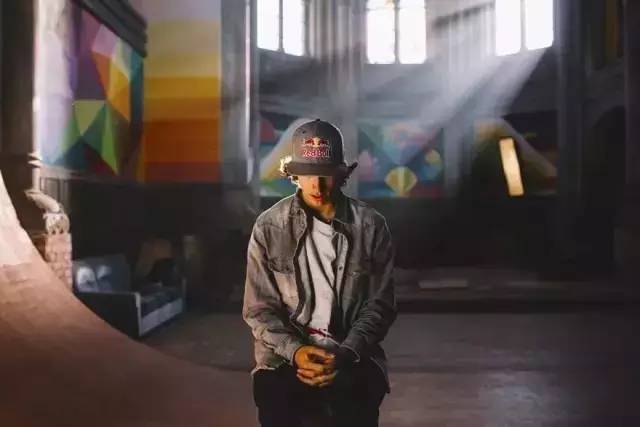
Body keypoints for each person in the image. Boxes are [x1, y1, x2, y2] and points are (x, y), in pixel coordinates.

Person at [243, 119, 397, 427]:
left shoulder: (371, 226)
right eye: (308, 174)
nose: (317, 185)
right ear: (294, 174)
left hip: (352, 354)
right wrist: (297, 351)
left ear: (341, 174)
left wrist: (346, 352)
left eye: (325, 174)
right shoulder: (269, 226)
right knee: (274, 395)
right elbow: (259, 310)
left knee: (359, 396)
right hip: (283, 358)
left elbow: (379, 306)